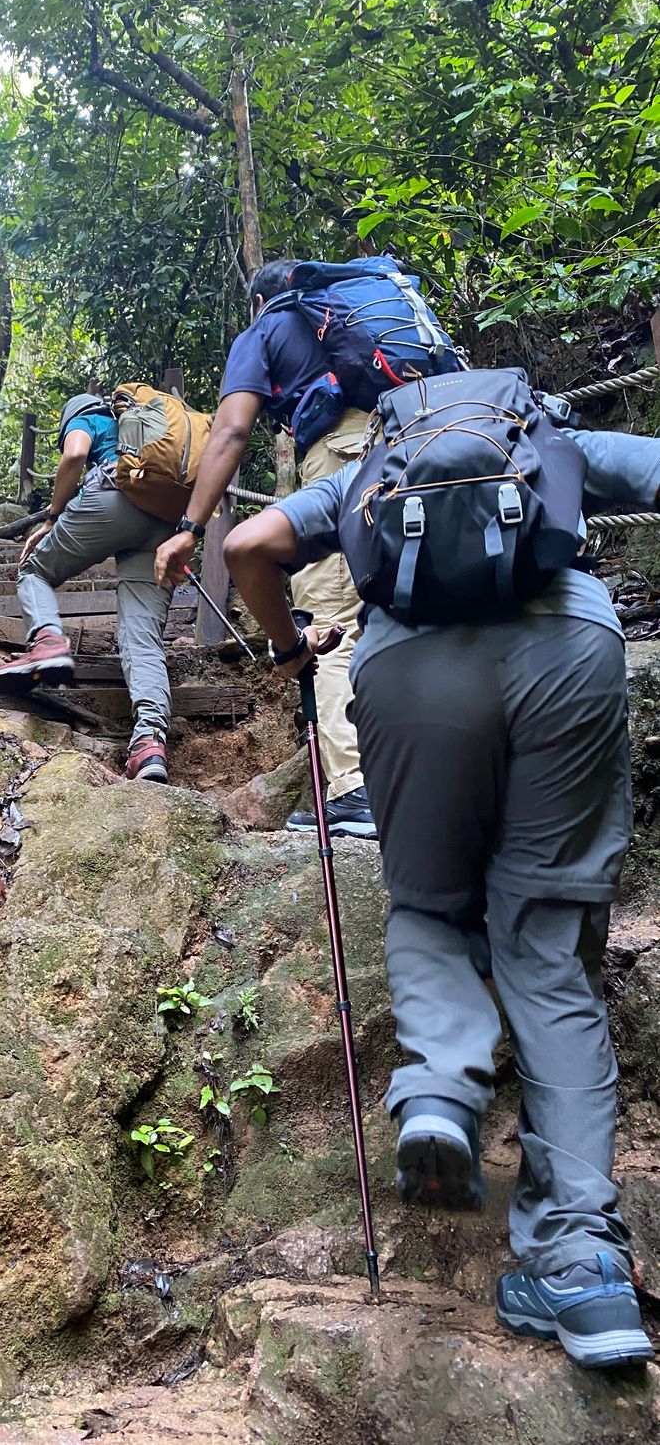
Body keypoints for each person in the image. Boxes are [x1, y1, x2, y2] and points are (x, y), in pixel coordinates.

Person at [209, 417, 660, 1371]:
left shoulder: (373, 468)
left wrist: (291, 650)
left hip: (406, 667)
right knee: (543, 946)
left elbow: (248, 545)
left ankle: (440, 1095)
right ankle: (581, 1265)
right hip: (567, 651)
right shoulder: (539, 434)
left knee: (426, 902)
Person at [155, 259, 376, 838]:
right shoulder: (362, 315)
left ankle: (356, 792)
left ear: (259, 303)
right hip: (424, 442)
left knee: (331, 619)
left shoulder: (265, 330)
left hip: (346, 456)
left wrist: (190, 526)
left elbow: (230, 432)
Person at [0, 392, 174, 782]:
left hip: (113, 498)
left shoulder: (89, 418)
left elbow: (74, 455)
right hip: (164, 522)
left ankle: (47, 642)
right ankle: (149, 743)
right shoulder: (141, 431)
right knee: (142, 636)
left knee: (34, 570)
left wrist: (51, 518)